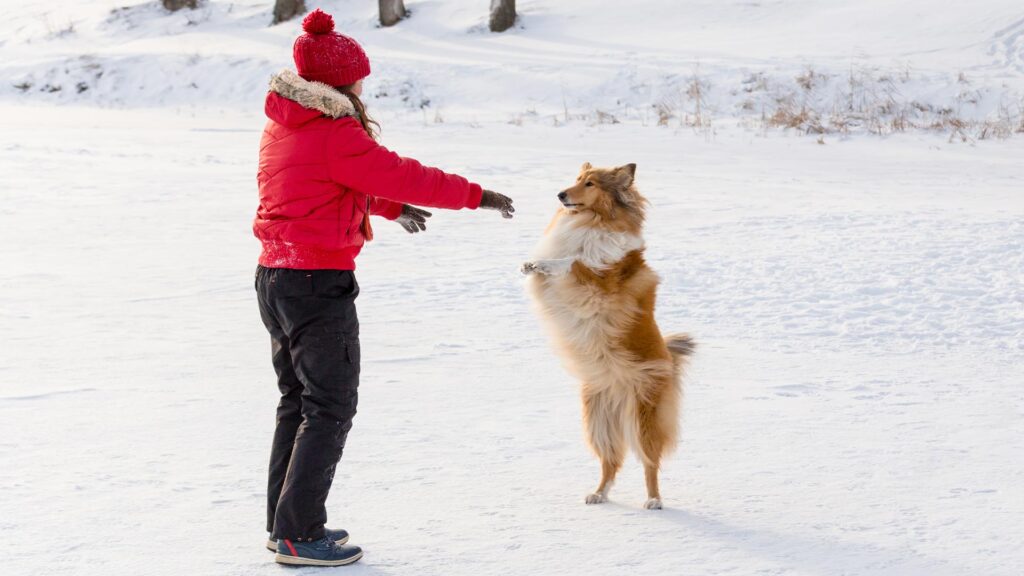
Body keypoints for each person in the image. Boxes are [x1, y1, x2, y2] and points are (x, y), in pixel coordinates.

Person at [252, 9, 515, 567]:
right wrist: (478, 195)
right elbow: (397, 172)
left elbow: (328, 185)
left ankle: (285, 524)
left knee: (298, 401)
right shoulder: (334, 130)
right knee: (329, 405)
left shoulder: (286, 123)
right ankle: (300, 534)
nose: (363, 86)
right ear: (338, 81)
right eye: (358, 77)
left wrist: (389, 209)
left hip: (276, 278)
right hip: (316, 282)